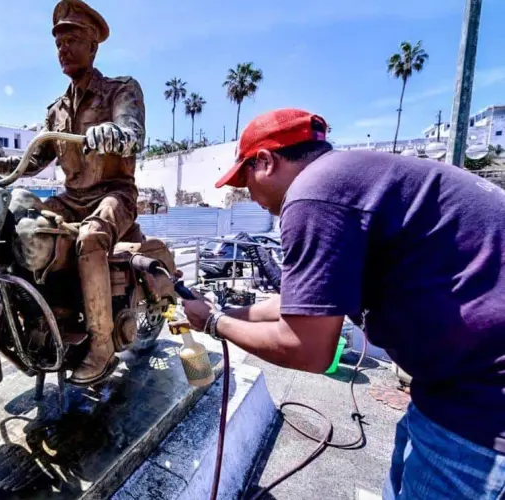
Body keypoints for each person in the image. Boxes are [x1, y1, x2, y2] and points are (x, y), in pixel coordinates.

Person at [182, 108, 505, 498]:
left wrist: (215, 324)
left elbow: (308, 349)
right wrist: (220, 313)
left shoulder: (313, 193)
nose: (246, 194)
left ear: (265, 161)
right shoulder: (351, 178)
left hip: (481, 408)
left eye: (244, 179)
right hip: (448, 389)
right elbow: (297, 304)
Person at [0, 0, 145, 386]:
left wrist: (113, 134)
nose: (63, 48)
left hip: (114, 195)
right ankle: (40, 317)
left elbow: (133, 134)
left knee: (91, 239)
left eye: (72, 39)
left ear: (93, 46)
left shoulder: (120, 90)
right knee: (18, 228)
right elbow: (30, 161)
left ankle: (102, 345)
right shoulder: (56, 111)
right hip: (71, 198)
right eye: (59, 42)